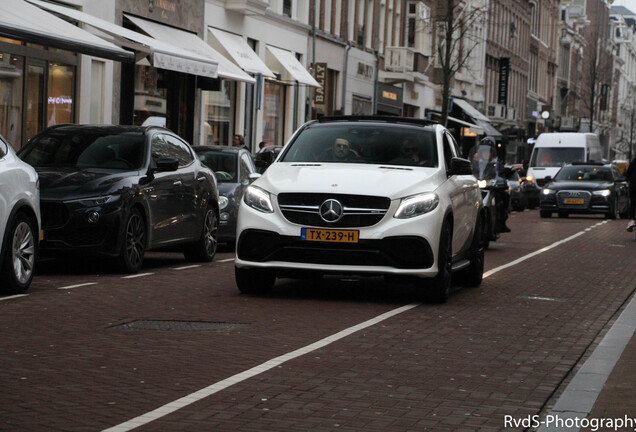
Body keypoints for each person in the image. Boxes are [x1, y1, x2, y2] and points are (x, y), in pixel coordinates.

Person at [625, 157, 636, 231]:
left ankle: (631, 221)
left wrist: (629, 181)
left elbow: (628, 175)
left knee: (633, 203)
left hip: (634, 186)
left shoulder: (634, 161)